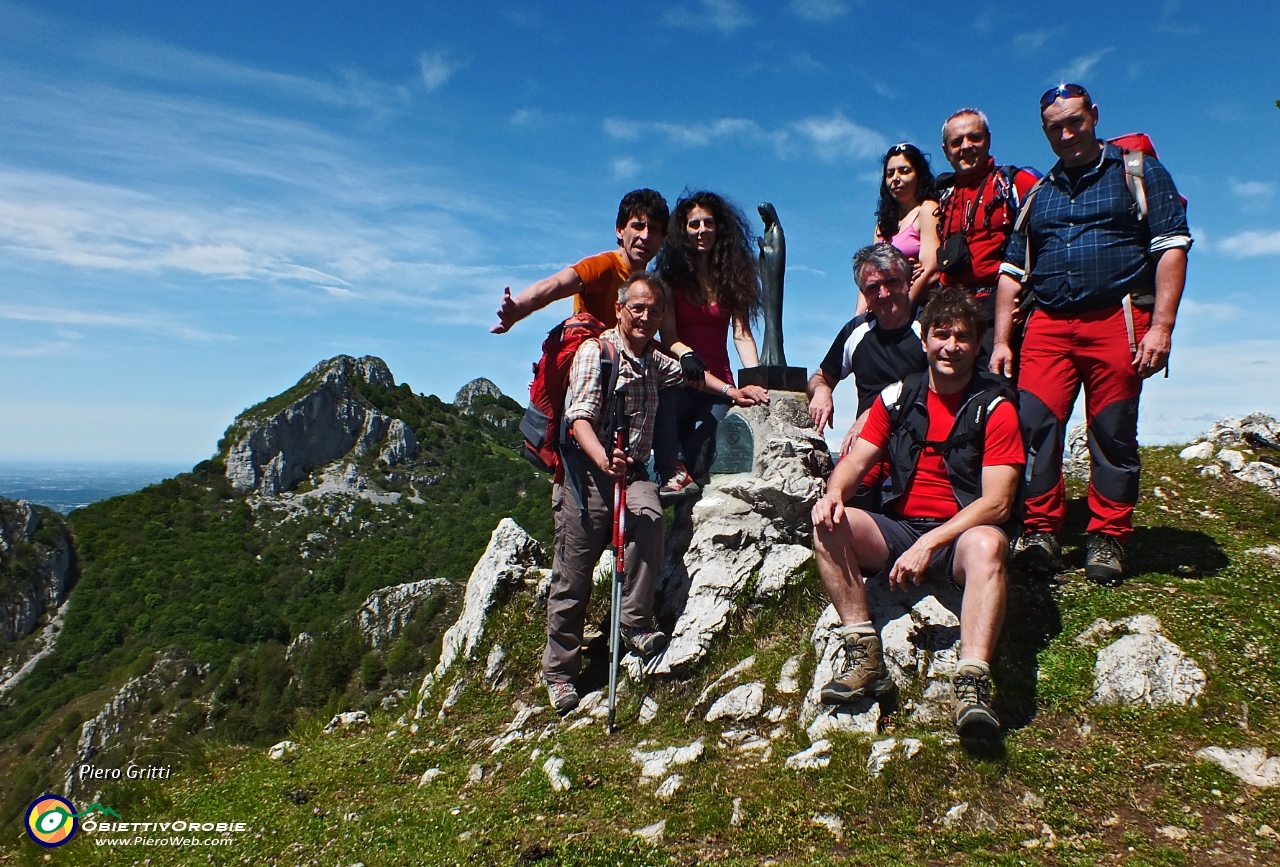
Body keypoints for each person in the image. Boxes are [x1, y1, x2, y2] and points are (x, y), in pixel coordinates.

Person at [990, 84, 1191, 585]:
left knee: (1113, 430)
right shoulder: (1039, 193)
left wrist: (1162, 328)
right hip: (1049, 326)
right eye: (1055, 126)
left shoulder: (1138, 171)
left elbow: (1171, 247)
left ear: (1094, 116)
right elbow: (1011, 272)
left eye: (1075, 121)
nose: (1066, 132)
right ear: (1044, 131)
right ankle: (1040, 531)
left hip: (1117, 320)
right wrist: (999, 340)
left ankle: (1109, 536)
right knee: (1034, 426)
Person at [543, 272, 763, 713]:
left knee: (648, 520)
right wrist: (604, 459)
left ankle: (634, 623)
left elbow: (693, 380)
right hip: (588, 476)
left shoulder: (653, 360)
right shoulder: (596, 353)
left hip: (634, 473)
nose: (645, 316)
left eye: (654, 310)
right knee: (574, 575)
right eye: (637, 308)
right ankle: (559, 673)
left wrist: (732, 392)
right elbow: (578, 419)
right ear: (621, 309)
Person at [811, 288, 1024, 739]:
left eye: (963, 337)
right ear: (925, 339)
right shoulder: (897, 398)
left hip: (960, 539)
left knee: (990, 543)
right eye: (941, 334)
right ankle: (863, 651)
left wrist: (931, 542)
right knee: (828, 520)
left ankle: (971, 682)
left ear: (977, 345)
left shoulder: (996, 407)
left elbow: (999, 502)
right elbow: (855, 463)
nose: (951, 346)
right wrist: (833, 493)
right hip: (901, 528)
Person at [652, 191, 769, 499]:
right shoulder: (670, 279)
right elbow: (669, 336)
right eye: (694, 225)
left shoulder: (731, 278)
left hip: (718, 385)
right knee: (674, 457)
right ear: (683, 231)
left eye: (708, 223)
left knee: (702, 445)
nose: (702, 230)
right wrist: (686, 354)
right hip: (679, 381)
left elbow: (742, 335)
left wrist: (755, 382)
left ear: (719, 228)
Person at [935, 110, 1038, 360]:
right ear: (946, 149)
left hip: (1002, 307)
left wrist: (1031, 297)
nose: (966, 147)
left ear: (988, 140)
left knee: (998, 386)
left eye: (974, 138)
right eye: (956, 142)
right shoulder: (942, 197)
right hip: (953, 308)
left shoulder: (1016, 182)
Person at [808, 244, 927, 460]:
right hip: (868, 447)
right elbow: (820, 377)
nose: (884, 293)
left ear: (908, 281)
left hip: (922, 444)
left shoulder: (932, 328)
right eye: (873, 287)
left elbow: (942, 383)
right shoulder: (856, 331)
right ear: (864, 294)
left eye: (891, 281)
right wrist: (822, 390)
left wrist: (873, 413)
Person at [491, 189, 668, 334]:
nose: (645, 236)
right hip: (591, 366)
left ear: (662, 239)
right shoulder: (604, 267)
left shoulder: (651, 287)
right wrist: (519, 308)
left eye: (653, 230)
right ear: (620, 230)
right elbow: (555, 285)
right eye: (638, 226)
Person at [865, 143, 940, 310]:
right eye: (890, 174)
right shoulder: (883, 225)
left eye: (904, 171)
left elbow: (931, 271)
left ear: (919, 175)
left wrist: (901, 313)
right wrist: (859, 319)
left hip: (915, 311)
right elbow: (870, 275)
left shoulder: (927, 210)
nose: (896, 179)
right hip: (883, 312)